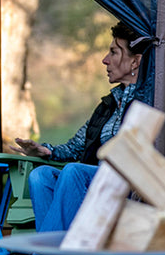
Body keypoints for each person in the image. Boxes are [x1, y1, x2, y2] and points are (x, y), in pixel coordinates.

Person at [11, 21, 153, 237]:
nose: (105, 60)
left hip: (127, 187)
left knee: (74, 171)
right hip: (93, 183)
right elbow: (76, 147)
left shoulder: (149, 103)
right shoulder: (108, 105)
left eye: (114, 52)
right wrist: (46, 151)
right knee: (40, 176)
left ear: (135, 61)